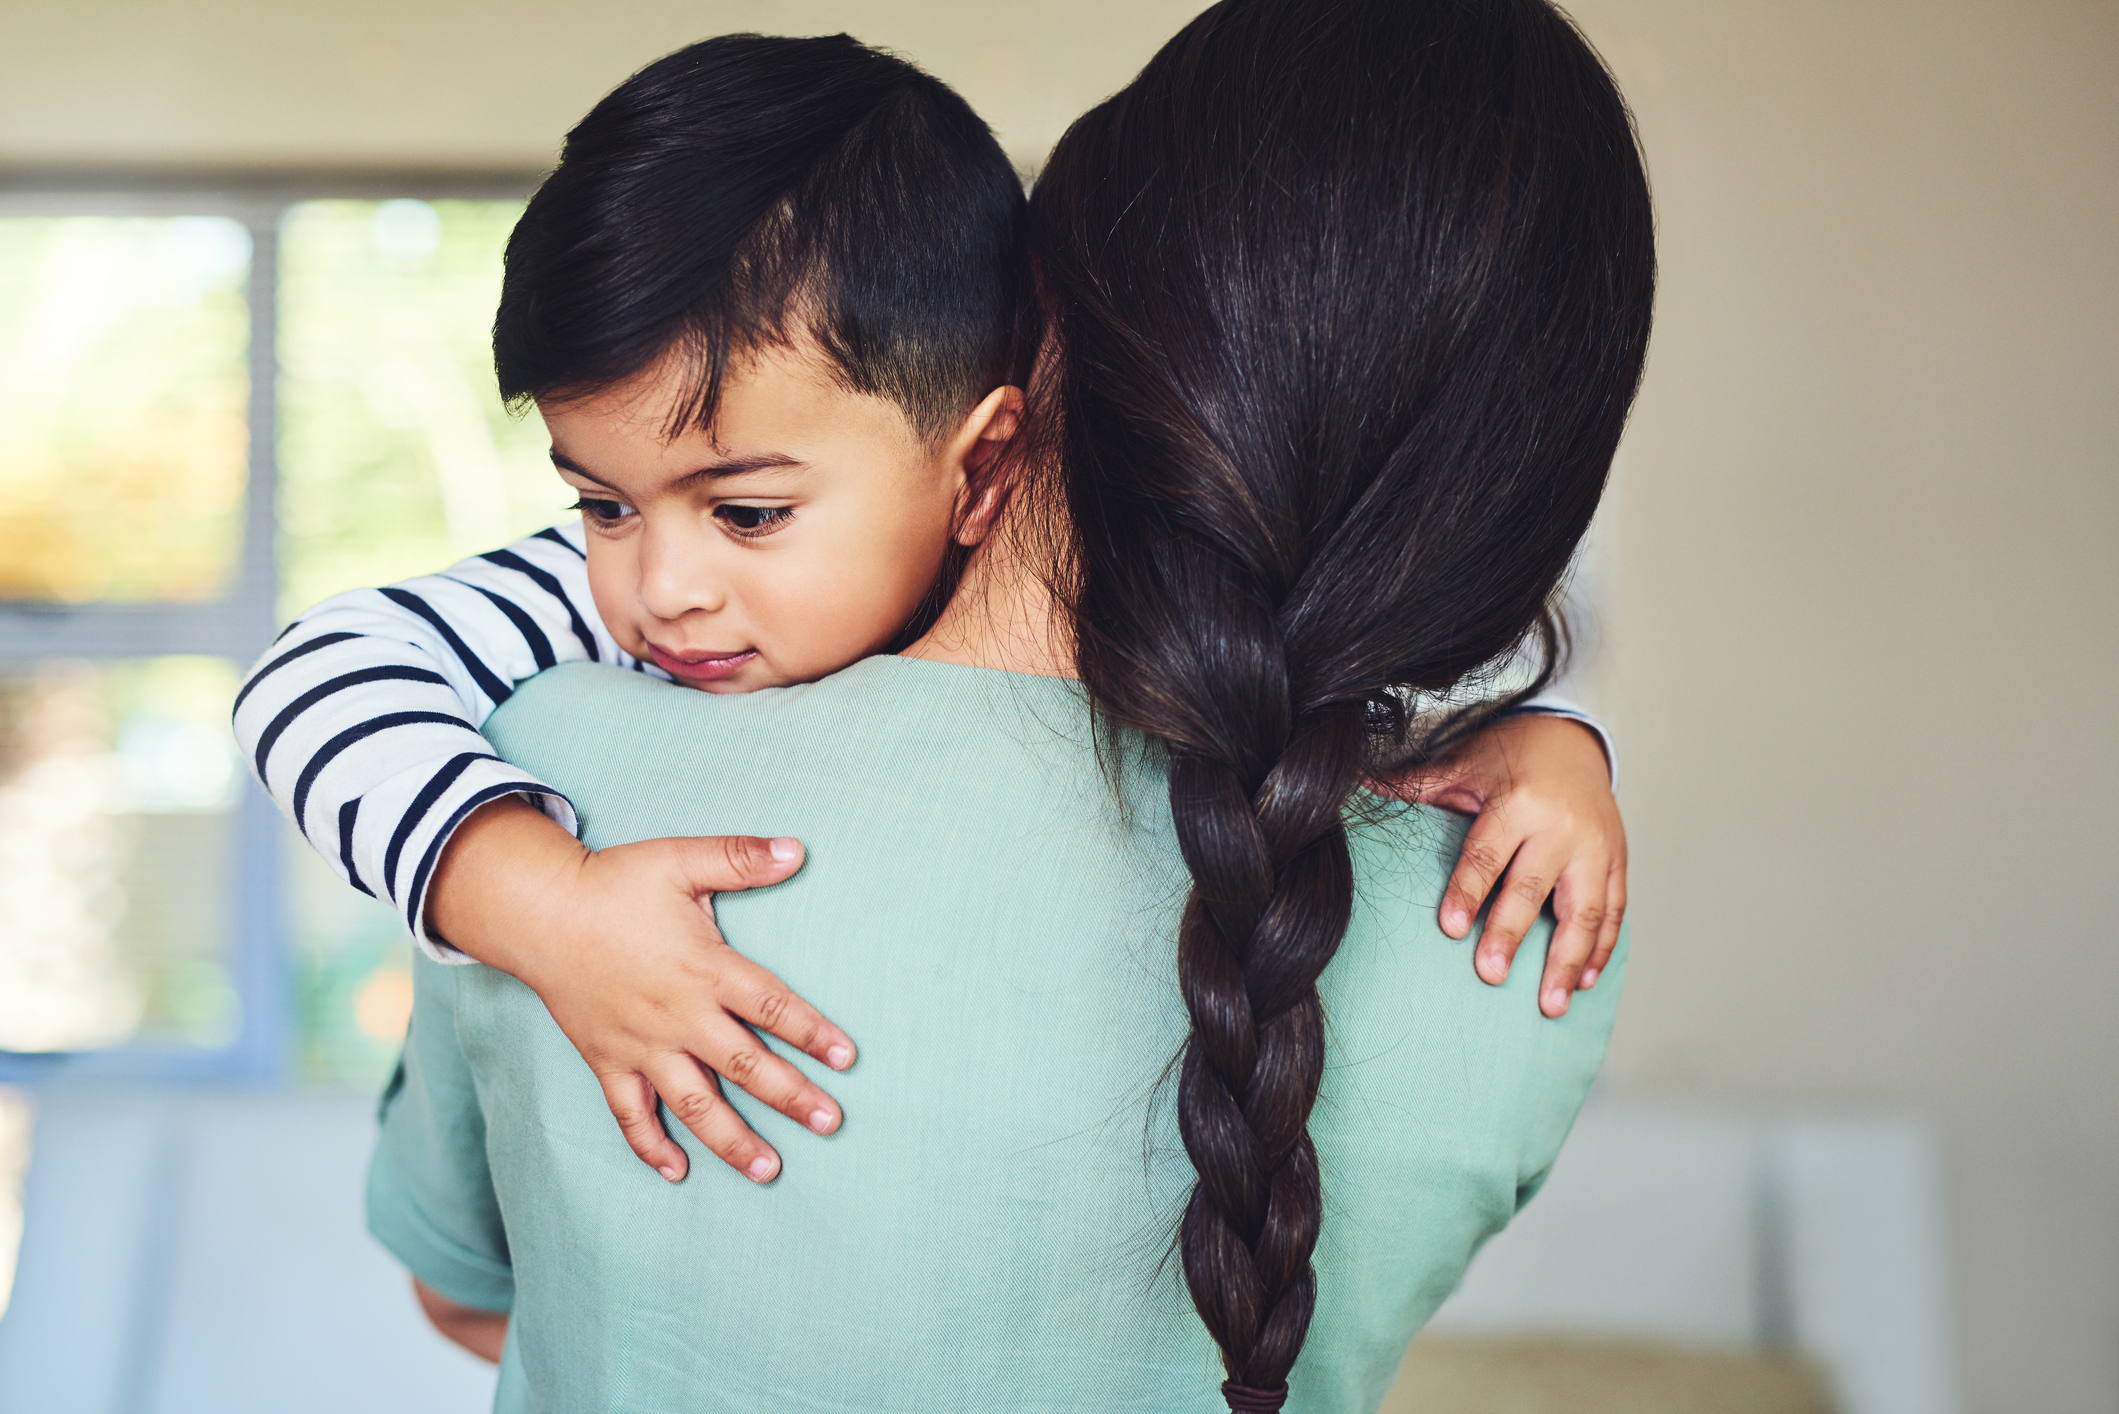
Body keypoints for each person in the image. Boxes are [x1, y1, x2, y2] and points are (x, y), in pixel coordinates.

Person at [367, 0, 1655, 1409]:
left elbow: (465, 1292)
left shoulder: (556, 804)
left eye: (745, 506)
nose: (667, 583)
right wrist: (1547, 735)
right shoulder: (1523, 936)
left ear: (1035, 313)